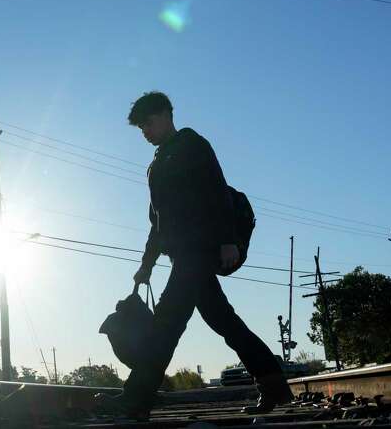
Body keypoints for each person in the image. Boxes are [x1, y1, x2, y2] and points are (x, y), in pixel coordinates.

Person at [100, 91, 292, 419]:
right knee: (225, 322)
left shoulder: (192, 145)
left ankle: (137, 398)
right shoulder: (156, 165)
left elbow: (217, 191)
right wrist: (146, 265)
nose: (144, 132)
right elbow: (157, 222)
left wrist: (228, 240)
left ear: (164, 115)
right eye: (140, 128)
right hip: (184, 256)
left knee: (167, 321)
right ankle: (274, 385)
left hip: (200, 250)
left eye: (146, 124)